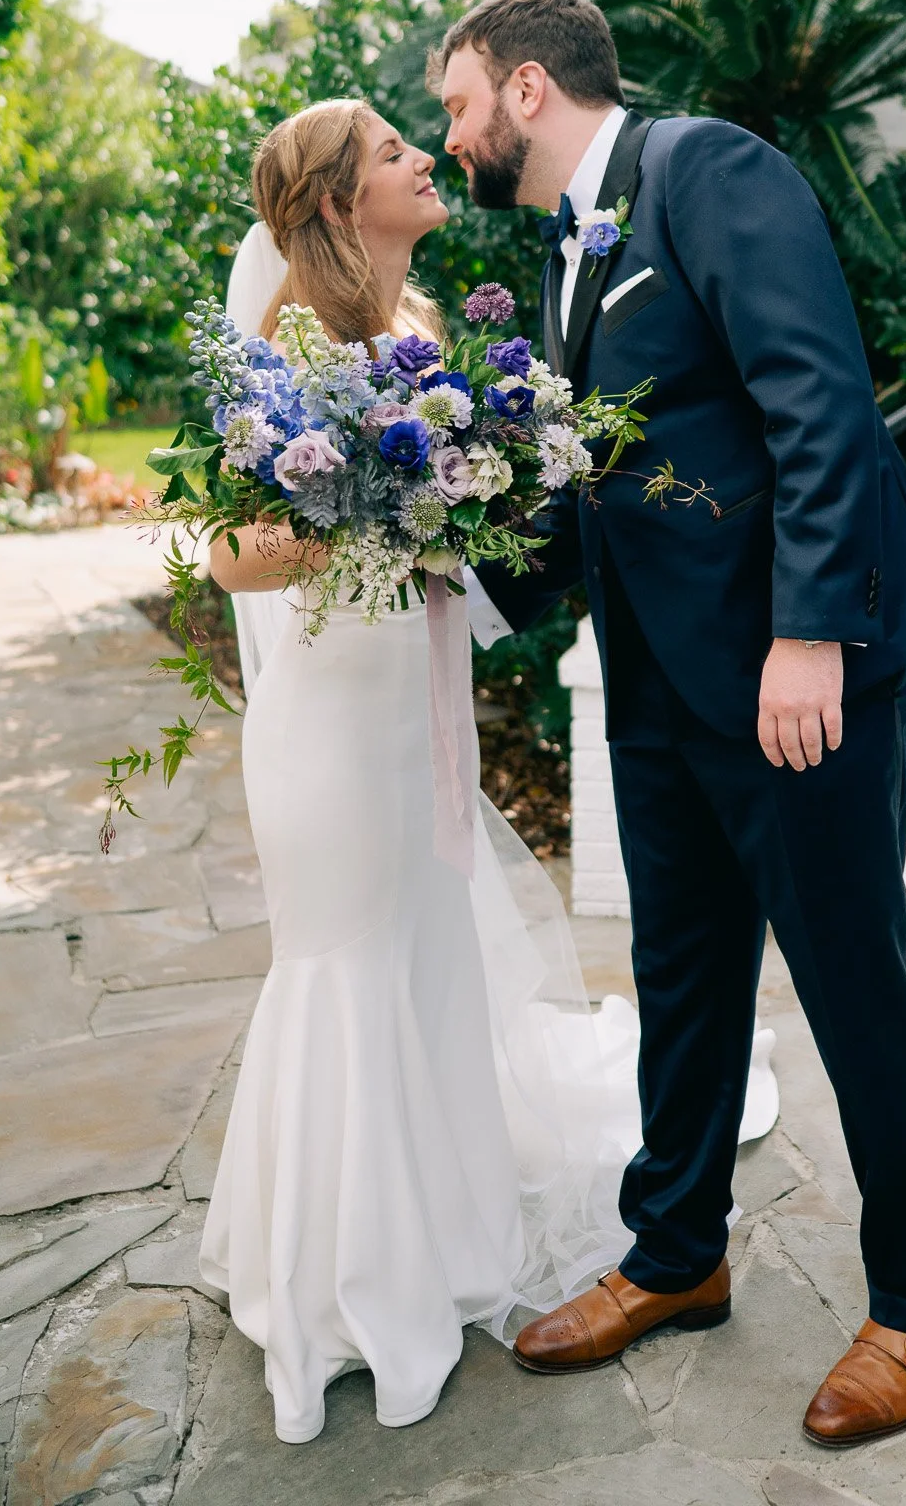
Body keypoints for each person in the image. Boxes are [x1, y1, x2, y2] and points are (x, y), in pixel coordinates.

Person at [433, 0, 906, 1447]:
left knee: (855, 982)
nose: (453, 134)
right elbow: (595, 484)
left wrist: (808, 633)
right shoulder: (571, 253)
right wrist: (452, 598)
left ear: (527, 87)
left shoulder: (708, 171)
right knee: (677, 977)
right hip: (663, 688)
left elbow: (820, 402)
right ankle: (676, 1254)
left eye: (458, 103)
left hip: (800, 679)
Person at [197, 97, 778, 1444]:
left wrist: (466, 494)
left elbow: (480, 519)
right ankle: (343, 1281)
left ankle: (438, 1233)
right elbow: (227, 551)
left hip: (413, 710)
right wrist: (375, 509)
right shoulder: (280, 346)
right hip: (331, 728)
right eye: (393, 152)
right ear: (337, 200)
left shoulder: (418, 336)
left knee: (422, 957)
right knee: (344, 967)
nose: (424, 158)